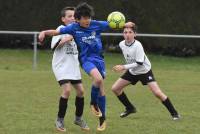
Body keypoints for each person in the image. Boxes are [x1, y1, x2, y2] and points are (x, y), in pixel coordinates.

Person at [38, 2, 134, 131]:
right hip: (86, 60)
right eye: (84, 18)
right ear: (78, 20)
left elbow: (113, 24)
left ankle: (102, 119)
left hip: (99, 60)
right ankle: (92, 104)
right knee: (98, 80)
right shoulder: (73, 28)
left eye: (89, 17)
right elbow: (55, 32)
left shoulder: (96, 24)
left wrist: (125, 24)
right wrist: (44, 32)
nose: (87, 20)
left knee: (100, 89)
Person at [111, 24, 180, 120]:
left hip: (144, 71)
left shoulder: (138, 45)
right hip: (132, 72)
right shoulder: (121, 44)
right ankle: (130, 108)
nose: (127, 34)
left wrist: (123, 67)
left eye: (130, 32)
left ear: (135, 34)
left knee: (157, 93)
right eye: (125, 32)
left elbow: (139, 62)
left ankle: (175, 113)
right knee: (115, 88)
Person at [46, 7, 89, 132]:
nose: (72, 18)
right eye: (69, 16)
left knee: (81, 91)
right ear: (63, 19)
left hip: (73, 66)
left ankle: (78, 118)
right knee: (67, 90)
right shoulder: (59, 30)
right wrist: (65, 39)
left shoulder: (78, 31)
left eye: (73, 16)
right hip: (61, 66)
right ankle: (59, 120)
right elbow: (54, 47)